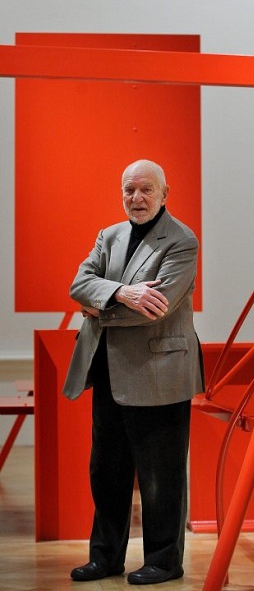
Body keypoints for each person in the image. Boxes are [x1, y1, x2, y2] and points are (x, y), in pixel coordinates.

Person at [62, 159, 204, 585]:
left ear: (165, 193)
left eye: (146, 190)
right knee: (106, 472)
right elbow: (78, 282)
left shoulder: (181, 240)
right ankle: (105, 557)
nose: (136, 198)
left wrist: (98, 307)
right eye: (129, 190)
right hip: (107, 371)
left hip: (159, 374)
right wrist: (121, 291)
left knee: (161, 477)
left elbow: (153, 310)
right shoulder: (110, 235)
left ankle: (164, 561)